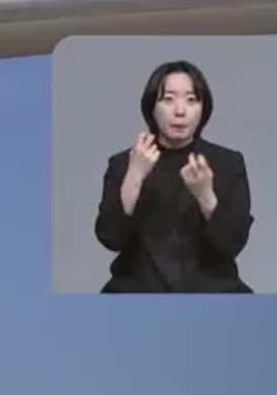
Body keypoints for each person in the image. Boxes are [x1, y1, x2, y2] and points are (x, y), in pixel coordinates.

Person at [93, 59, 254, 293]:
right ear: (151, 106)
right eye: (168, 99)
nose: (180, 111)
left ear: (203, 108)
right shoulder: (123, 164)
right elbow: (110, 238)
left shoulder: (228, 163)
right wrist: (135, 175)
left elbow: (233, 245)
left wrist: (206, 195)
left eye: (191, 100)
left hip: (214, 296)